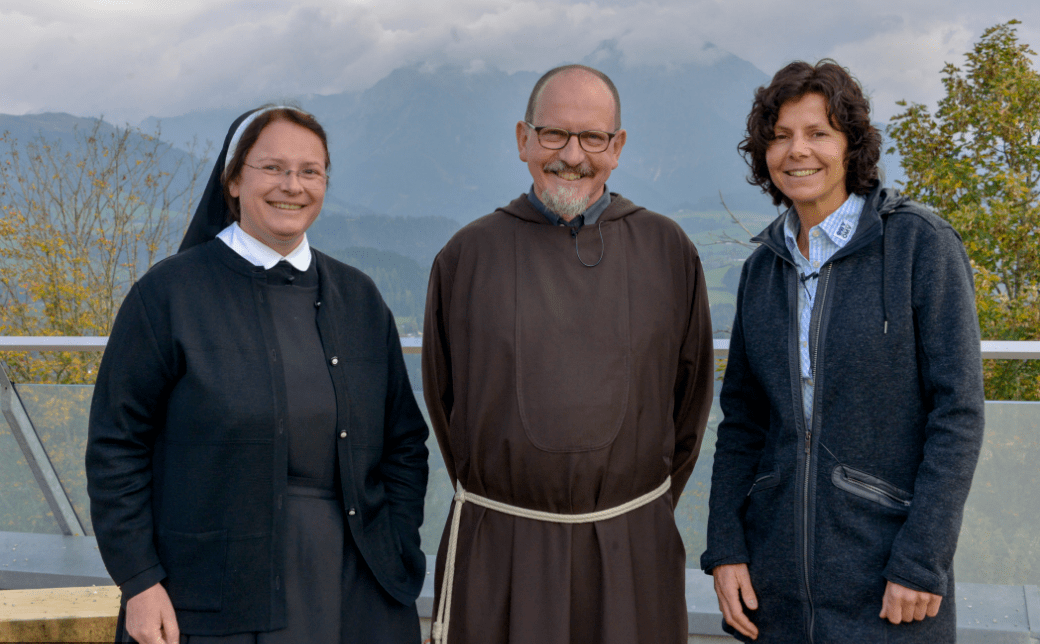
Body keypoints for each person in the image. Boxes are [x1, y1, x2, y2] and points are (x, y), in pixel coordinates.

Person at [86, 105, 429, 644]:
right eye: (272, 168)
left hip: (355, 584)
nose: (292, 186)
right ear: (233, 180)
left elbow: (405, 443)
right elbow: (116, 448)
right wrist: (140, 580)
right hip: (206, 593)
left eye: (310, 171)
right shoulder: (168, 296)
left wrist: (398, 538)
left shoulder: (359, 299)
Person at [421, 64, 715, 644]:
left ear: (618, 146)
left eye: (593, 138)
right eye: (554, 134)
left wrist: (626, 503)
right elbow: (445, 401)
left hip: (631, 541)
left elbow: (690, 404)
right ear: (523, 139)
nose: (572, 155)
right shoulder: (467, 257)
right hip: (502, 543)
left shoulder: (667, 251)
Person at [701, 60, 985, 643]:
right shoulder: (761, 271)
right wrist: (725, 547)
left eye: (817, 133)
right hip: (773, 583)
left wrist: (921, 560)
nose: (796, 151)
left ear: (851, 145)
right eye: (779, 136)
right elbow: (743, 426)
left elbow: (957, 415)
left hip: (891, 582)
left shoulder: (920, 247)